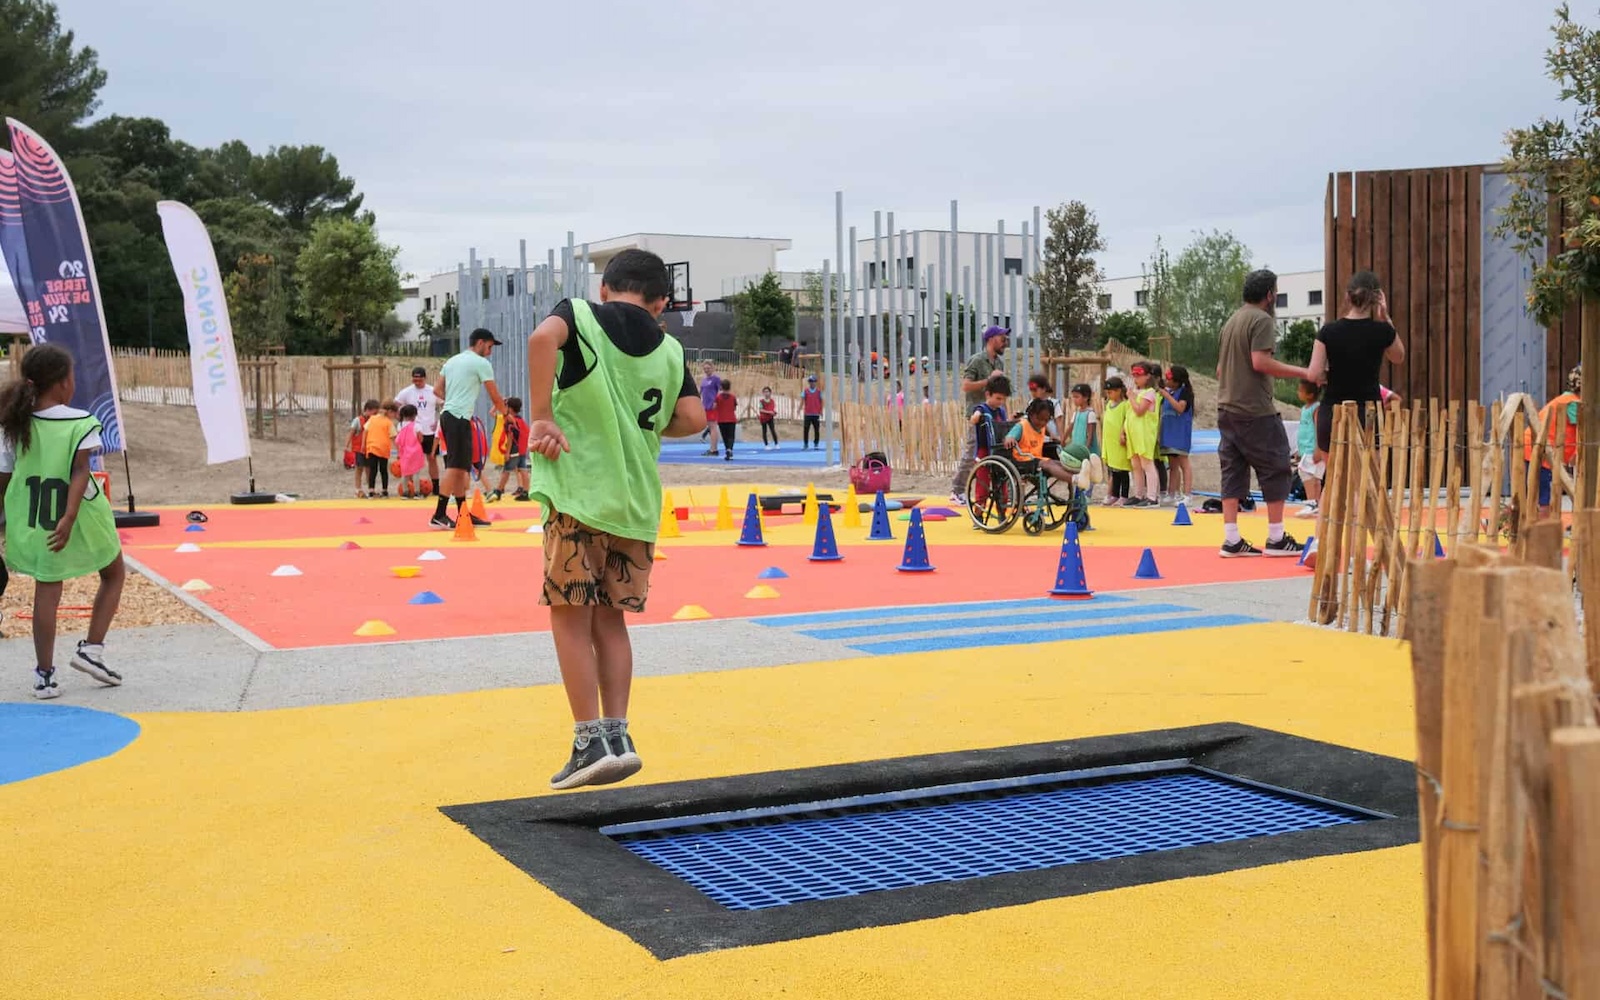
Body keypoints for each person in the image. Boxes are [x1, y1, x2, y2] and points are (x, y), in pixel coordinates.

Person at [523, 248, 705, 790]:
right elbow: (693, 417)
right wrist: (634, 423)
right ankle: (619, 735)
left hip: (580, 495)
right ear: (661, 303)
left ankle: (587, 741)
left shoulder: (580, 316)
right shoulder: (670, 348)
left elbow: (538, 341)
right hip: (636, 506)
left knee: (568, 614)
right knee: (611, 621)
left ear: (605, 288)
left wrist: (542, 415)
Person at [0, 344, 126, 699]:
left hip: (36, 518)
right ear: (61, 384)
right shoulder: (80, 421)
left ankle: (44, 676)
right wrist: (69, 517)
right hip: (80, 514)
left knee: (47, 588)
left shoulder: (13, 423)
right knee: (113, 572)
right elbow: (80, 471)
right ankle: (92, 650)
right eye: (71, 377)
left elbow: (4, 476)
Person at [1215, 269, 1311, 556]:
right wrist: (1304, 372)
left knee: (1233, 470)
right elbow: (1260, 361)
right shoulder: (1262, 320)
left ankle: (1231, 539)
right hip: (1254, 409)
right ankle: (1276, 537)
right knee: (1277, 466)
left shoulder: (1232, 321)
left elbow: (1221, 370)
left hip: (1226, 406)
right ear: (1270, 294)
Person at [1307, 270, 1406, 459]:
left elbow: (1313, 374)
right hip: (1368, 415)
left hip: (1333, 413)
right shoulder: (1382, 331)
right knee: (1368, 483)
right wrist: (1385, 317)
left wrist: (1331, 374)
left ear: (1347, 296)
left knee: (1335, 484)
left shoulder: (1328, 331)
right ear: (1377, 299)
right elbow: (1398, 356)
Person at [431, 329, 508, 530]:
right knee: (455, 467)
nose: (490, 352)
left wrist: (453, 402)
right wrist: (507, 416)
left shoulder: (452, 361)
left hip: (449, 416)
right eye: (489, 347)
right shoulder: (481, 363)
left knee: (460, 468)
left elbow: (436, 390)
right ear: (480, 343)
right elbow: (495, 396)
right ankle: (439, 514)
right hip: (458, 417)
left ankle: (462, 513)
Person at [950, 325, 1009, 505]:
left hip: (994, 413)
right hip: (977, 413)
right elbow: (966, 386)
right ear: (991, 339)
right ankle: (957, 490)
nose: (1005, 342)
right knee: (972, 452)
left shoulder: (999, 362)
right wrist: (989, 380)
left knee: (993, 451)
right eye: (1002, 338)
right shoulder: (976, 360)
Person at [1524, 365, 1581, 516]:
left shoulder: (1567, 398)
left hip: (1538, 448)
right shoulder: (1573, 403)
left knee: (1530, 493)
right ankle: (1544, 533)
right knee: (1544, 496)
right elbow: (1584, 428)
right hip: (1542, 451)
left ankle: (1496, 523)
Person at [394, 366, 441, 495]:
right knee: (409, 459)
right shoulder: (406, 392)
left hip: (429, 430)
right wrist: (402, 420)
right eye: (414, 380)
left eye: (419, 380)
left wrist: (438, 420)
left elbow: (445, 404)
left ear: (424, 378)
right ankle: (409, 487)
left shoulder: (432, 391)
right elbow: (396, 404)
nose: (417, 382)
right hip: (412, 432)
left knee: (432, 458)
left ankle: (436, 486)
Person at [1125, 362, 1162, 508]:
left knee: (1147, 463)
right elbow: (1129, 413)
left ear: (1147, 376)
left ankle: (1152, 496)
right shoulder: (1136, 392)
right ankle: (1139, 494)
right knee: (1136, 464)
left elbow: (1140, 411)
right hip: (1133, 433)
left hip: (1144, 433)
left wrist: (1131, 397)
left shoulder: (1150, 393)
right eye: (1134, 375)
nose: (1135, 378)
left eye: (1139, 375)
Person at [1159, 365, 1196, 506]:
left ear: (1177, 381)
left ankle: (1187, 495)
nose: (1166, 382)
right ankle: (1171, 493)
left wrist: (1167, 395)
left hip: (1180, 433)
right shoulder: (1169, 392)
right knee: (1172, 465)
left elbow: (1180, 408)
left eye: (1169, 379)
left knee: (1183, 463)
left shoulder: (1185, 392)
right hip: (1168, 432)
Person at [490, 398, 531, 502]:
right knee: (523, 469)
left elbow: (511, 435)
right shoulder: (520, 419)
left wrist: (508, 452)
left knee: (506, 470)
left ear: (510, 408)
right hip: (522, 447)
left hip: (514, 448)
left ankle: (498, 491)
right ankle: (526, 491)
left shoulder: (510, 420)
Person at [1294, 380, 1323, 518]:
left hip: (1313, 448)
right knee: (1315, 476)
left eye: (1300, 390)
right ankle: (1316, 503)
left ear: (1310, 394)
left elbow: (1318, 428)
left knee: (1305, 473)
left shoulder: (1316, 408)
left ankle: (1311, 502)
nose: (1297, 393)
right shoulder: (1305, 408)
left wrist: (1319, 447)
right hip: (1306, 448)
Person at [1100, 376, 1131, 506]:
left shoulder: (1125, 405)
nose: (1109, 395)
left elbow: (1127, 420)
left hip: (1120, 442)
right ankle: (1114, 494)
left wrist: (1123, 433)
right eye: (1107, 392)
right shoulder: (1109, 405)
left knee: (1123, 470)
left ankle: (1124, 496)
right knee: (1114, 470)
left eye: (1111, 392)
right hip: (1110, 441)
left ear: (1119, 391)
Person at [363, 400, 396, 498]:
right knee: (383, 470)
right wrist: (399, 450)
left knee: (373, 470)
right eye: (394, 413)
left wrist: (363, 444)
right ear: (390, 411)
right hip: (383, 449)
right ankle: (384, 490)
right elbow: (393, 437)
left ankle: (371, 490)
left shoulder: (372, 419)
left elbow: (365, 430)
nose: (394, 416)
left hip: (372, 447)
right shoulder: (388, 422)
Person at [394, 403, 425, 498]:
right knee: (416, 472)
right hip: (415, 451)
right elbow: (420, 438)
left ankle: (405, 492)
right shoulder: (417, 426)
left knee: (405, 472)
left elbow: (398, 438)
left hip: (404, 451)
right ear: (414, 415)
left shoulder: (400, 425)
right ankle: (417, 492)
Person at [348, 401, 375, 498]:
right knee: (359, 469)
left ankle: (370, 490)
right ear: (367, 410)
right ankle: (358, 489)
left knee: (369, 469)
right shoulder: (357, 420)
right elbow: (351, 433)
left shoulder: (373, 421)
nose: (375, 415)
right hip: (359, 449)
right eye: (374, 413)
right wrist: (346, 446)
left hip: (369, 449)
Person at [1067, 383, 1099, 455]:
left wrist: (1085, 450)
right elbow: (1070, 428)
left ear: (1085, 398)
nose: (1074, 399)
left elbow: (1090, 435)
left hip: (1086, 451)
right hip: (1077, 448)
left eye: (1077, 397)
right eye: (1073, 397)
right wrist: (1063, 440)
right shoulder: (1076, 413)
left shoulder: (1090, 414)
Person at [698, 361, 720, 455]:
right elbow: (701, 392)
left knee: (713, 427)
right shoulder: (704, 380)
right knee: (710, 427)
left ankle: (714, 449)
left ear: (712, 368)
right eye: (705, 368)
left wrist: (716, 401)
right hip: (705, 406)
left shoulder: (716, 379)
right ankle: (713, 447)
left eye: (708, 368)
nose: (706, 370)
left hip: (712, 406)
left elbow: (720, 391)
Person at [714, 378, 738, 460]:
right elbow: (734, 408)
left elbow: (714, 406)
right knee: (731, 436)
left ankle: (727, 449)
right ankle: (730, 449)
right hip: (731, 419)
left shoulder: (718, 397)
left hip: (721, 419)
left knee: (725, 436)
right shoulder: (733, 397)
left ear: (721, 387)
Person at [801, 375, 823, 449]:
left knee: (816, 429)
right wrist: (799, 409)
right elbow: (802, 400)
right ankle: (805, 444)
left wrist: (821, 410)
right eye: (810, 381)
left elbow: (821, 401)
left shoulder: (818, 391)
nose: (812, 383)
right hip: (807, 413)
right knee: (806, 429)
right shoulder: (806, 391)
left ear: (815, 382)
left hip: (816, 413)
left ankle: (816, 443)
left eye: (813, 381)